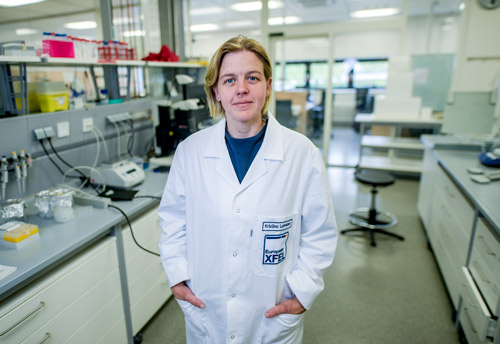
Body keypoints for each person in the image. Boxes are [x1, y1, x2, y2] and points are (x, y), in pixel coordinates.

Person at [158, 35, 337, 343]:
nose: (241, 88)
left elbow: (319, 233)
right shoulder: (190, 152)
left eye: (252, 78)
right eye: (229, 80)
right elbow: (173, 221)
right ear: (216, 91)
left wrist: (304, 292)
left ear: (267, 86)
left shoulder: (302, 153)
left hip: (272, 314)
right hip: (207, 309)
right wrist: (177, 275)